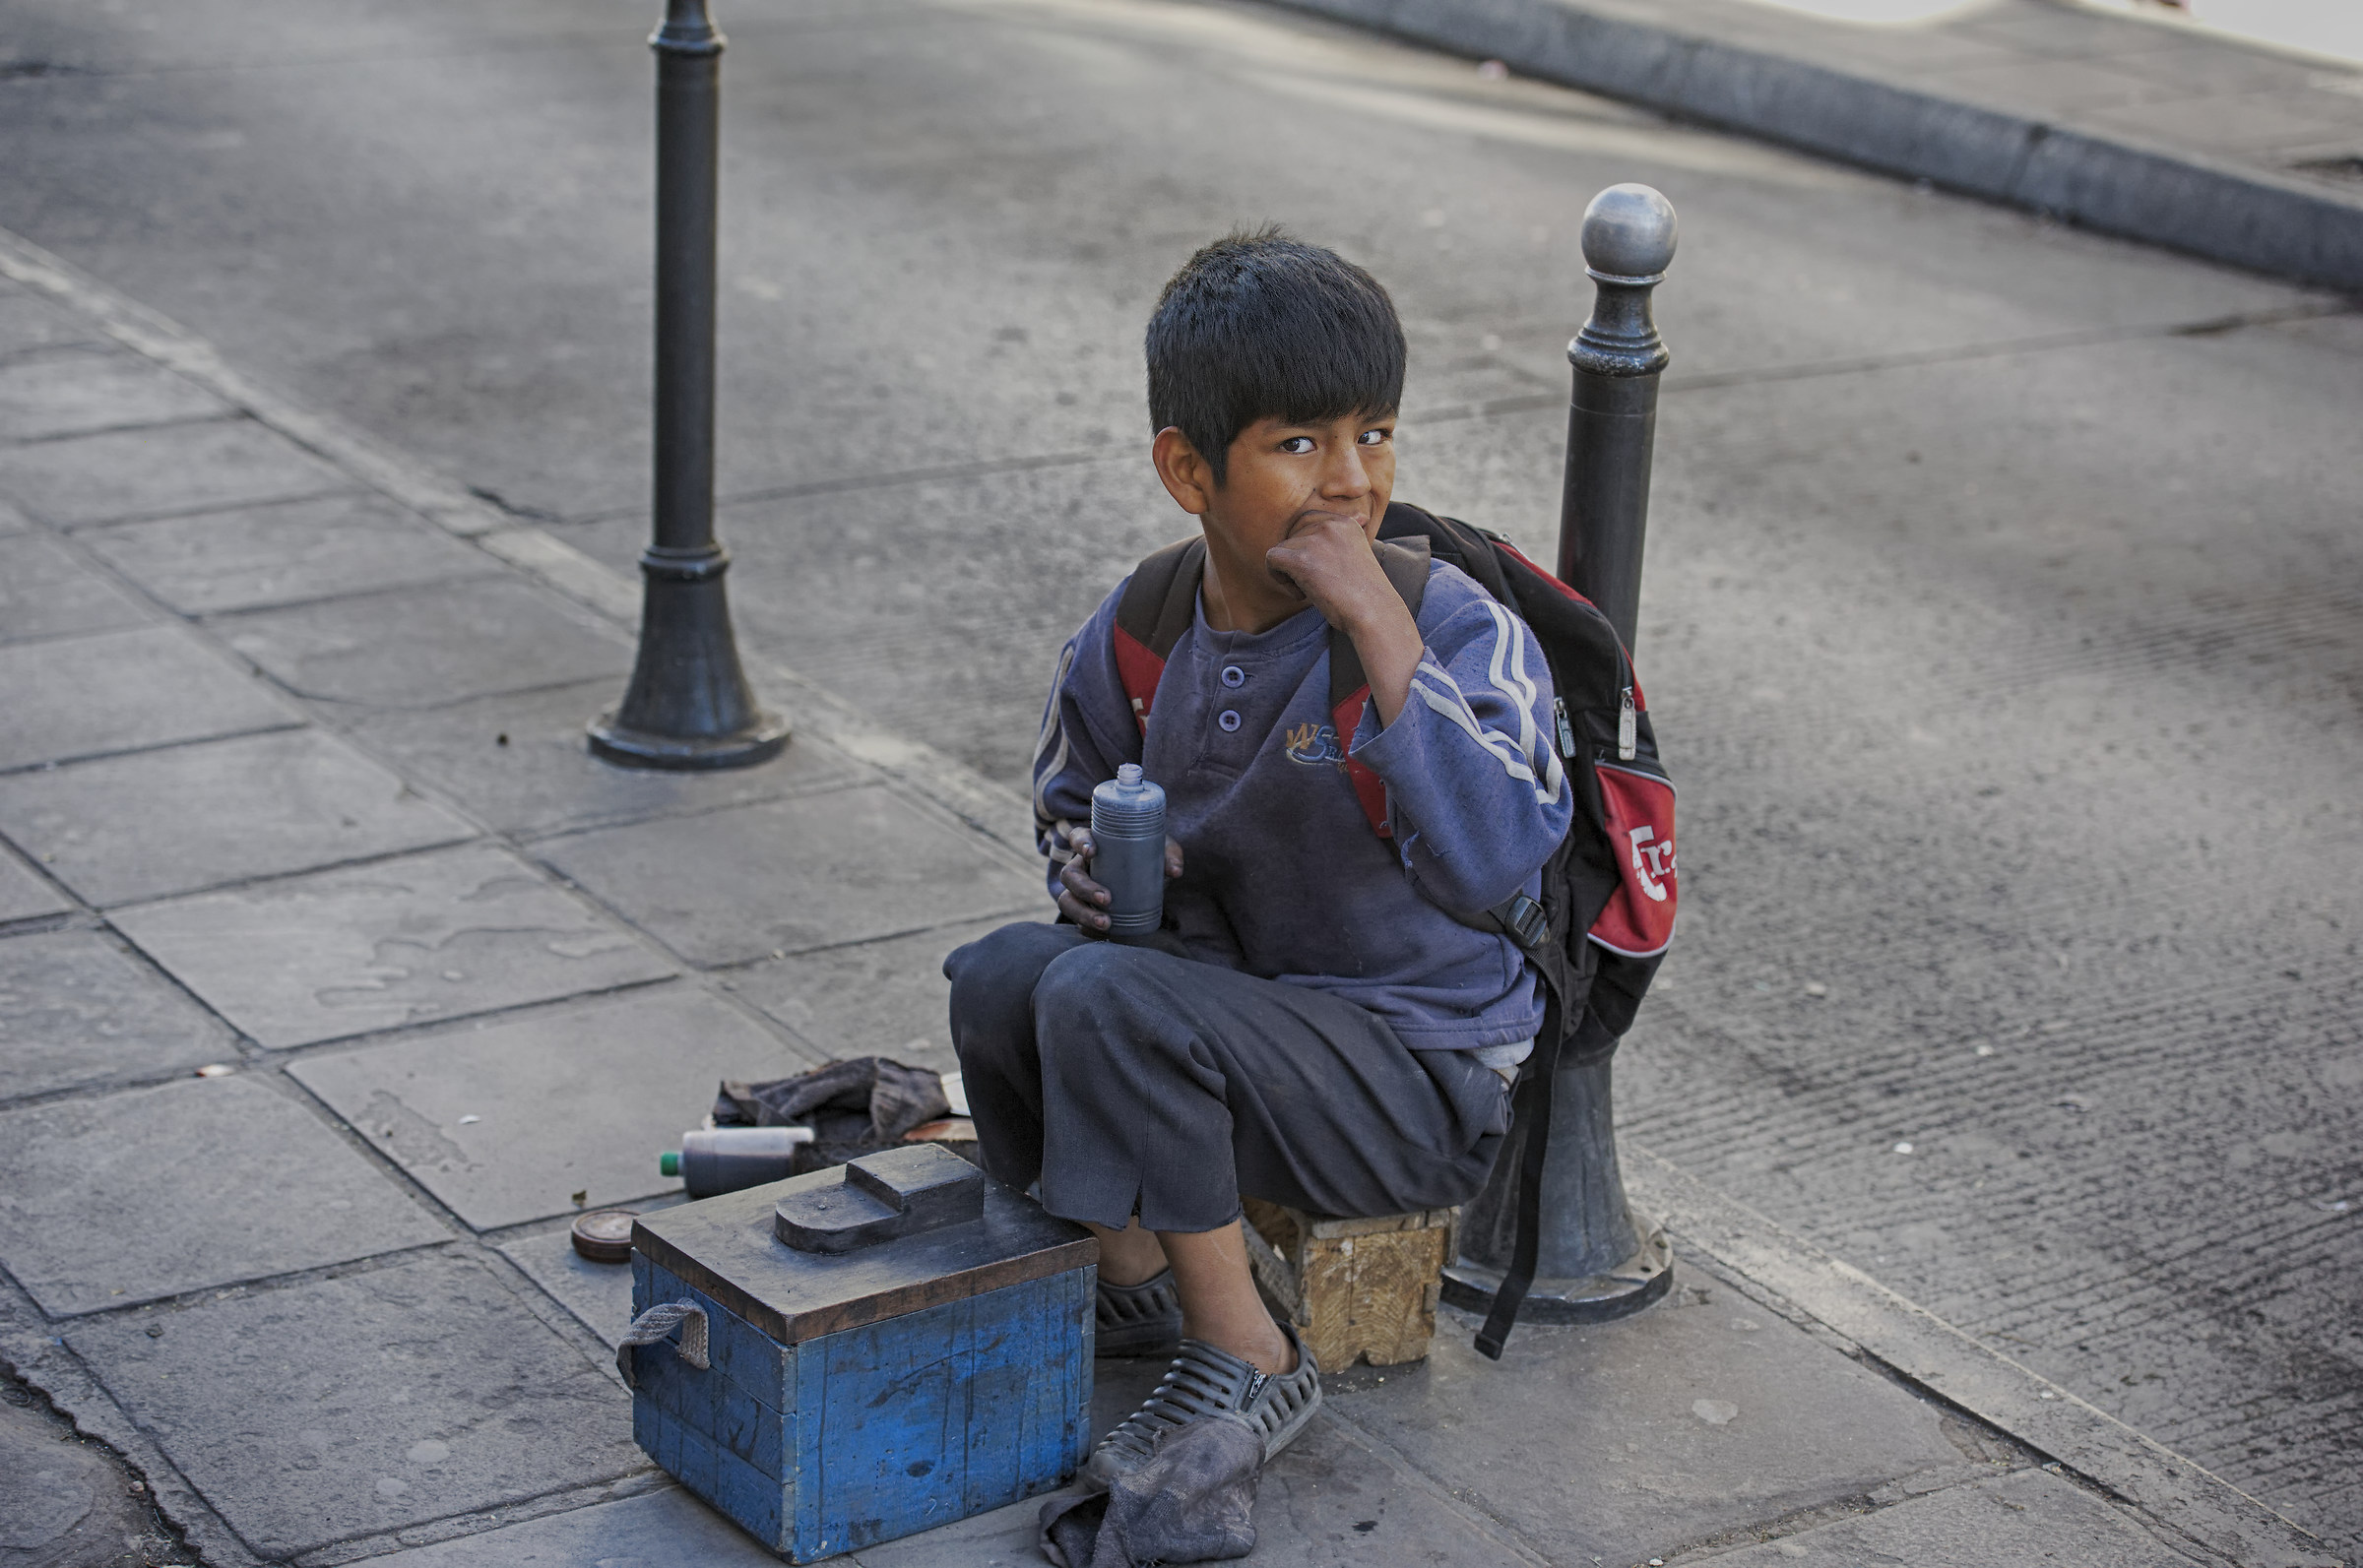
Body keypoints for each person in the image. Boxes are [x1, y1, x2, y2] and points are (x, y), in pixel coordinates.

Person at [945, 228, 1569, 1486]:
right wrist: (1087, 868)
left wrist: (1379, 624)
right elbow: (1067, 803)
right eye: (1298, 445)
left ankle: (1252, 1348)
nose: (1349, 481)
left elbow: (1504, 854)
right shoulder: (1142, 632)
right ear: (1189, 470)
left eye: (1374, 434)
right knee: (1003, 976)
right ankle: (1130, 1282)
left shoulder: (1449, 624)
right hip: (1247, 1032)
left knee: (1103, 999)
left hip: (1417, 1077)